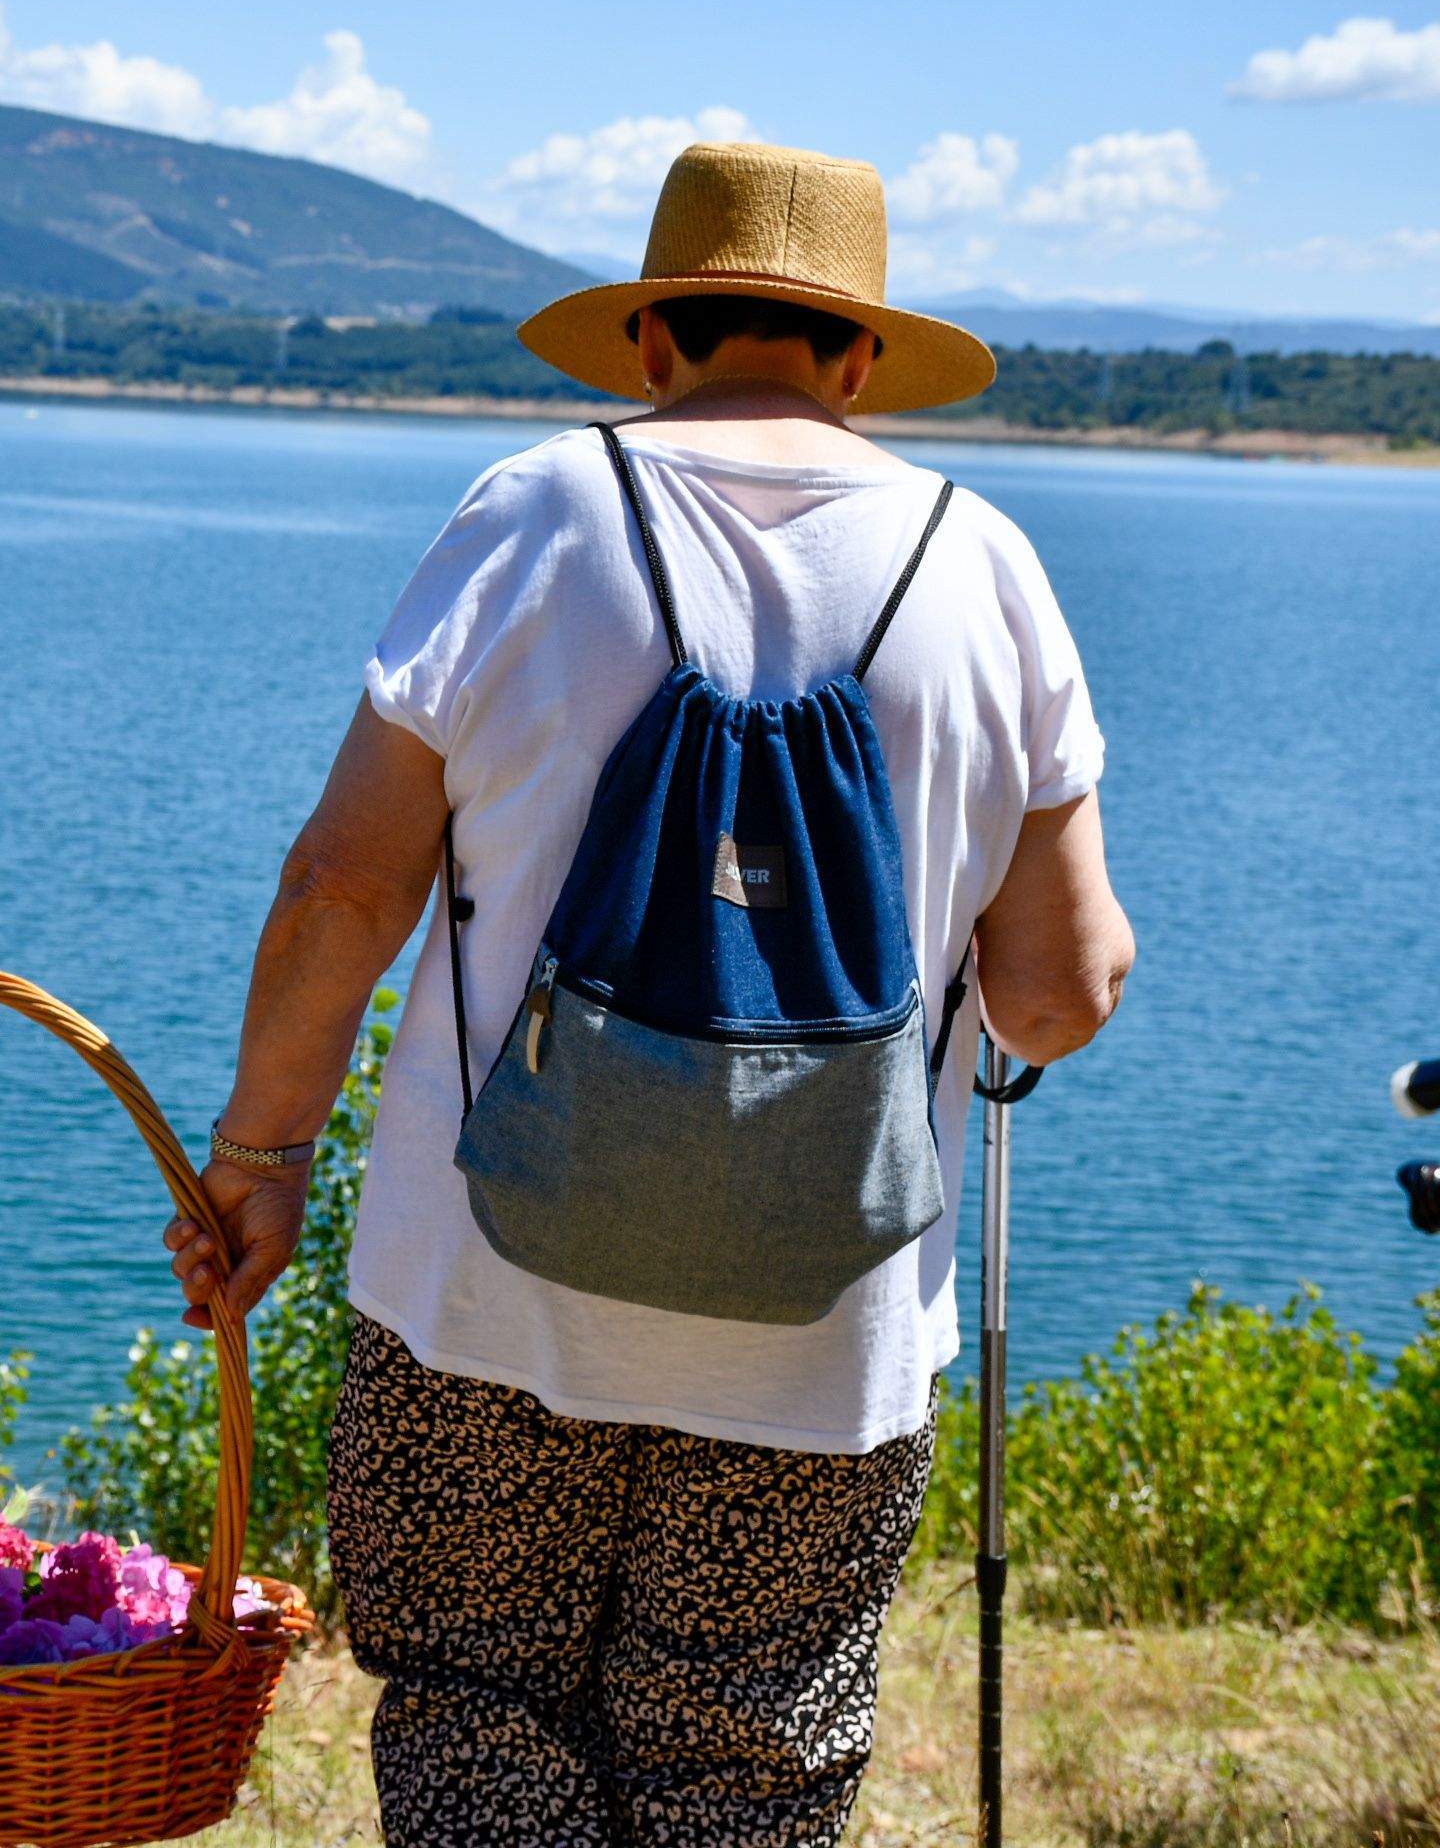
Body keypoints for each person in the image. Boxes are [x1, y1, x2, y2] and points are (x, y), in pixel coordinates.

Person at [166, 143, 1135, 1845]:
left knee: (479, 1718)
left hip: (480, 1303)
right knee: (747, 1774)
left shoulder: (534, 515)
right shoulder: (989, 567)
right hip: (824, 1341)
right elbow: (1057, 993)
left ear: (650, 346)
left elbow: (342, 888)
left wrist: (259, 1160)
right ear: (857, 362)